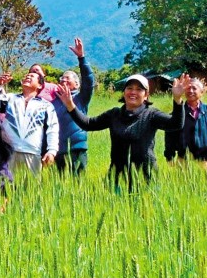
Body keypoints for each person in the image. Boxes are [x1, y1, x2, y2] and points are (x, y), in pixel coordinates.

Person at [57, 73, 189, 192]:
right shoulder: (114, 114)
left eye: (139, 89)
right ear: (124, 92)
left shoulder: (151, 114)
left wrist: (177, 100)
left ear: (146, 95)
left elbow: (175, 124)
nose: (133, 92)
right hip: (118, 178)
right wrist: (70, 106)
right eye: (129, 88)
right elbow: (88, 124)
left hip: (146, 178)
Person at [0, 70, 59, 175]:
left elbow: (52, 129)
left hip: (32, 153)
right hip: (9, 152)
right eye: (27, 75)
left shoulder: (46, 106)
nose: (28, 77)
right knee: (4, 187)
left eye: (32, 76)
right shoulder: (10, 98)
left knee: (30, 189)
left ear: (40, 85)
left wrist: (52, 151)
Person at [52, 37, 95, 175]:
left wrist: (81, 58)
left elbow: (88, 81)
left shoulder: (81, 98)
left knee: (77, 185)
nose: (63, 80)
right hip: (58, 150)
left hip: (77, 148)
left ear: (76, 84)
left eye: (67, 78)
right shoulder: (53, 102)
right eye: (62, 78)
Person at [164, 77, 207, 166]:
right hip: (183, 161)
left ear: (202, 92)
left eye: (194, 88)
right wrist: (169, 157)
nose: (190, 91)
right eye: (188, 88)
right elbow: (169, 137)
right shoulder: (176, 114)